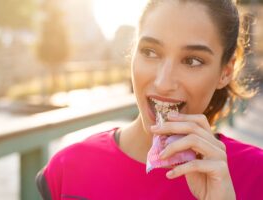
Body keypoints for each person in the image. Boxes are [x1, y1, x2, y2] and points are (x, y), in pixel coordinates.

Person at [36, 0, 263, 199]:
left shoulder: (256, 175)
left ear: (225, 72)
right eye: (150, 52)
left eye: (192, 60)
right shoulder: (68, 170)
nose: (163, 82)